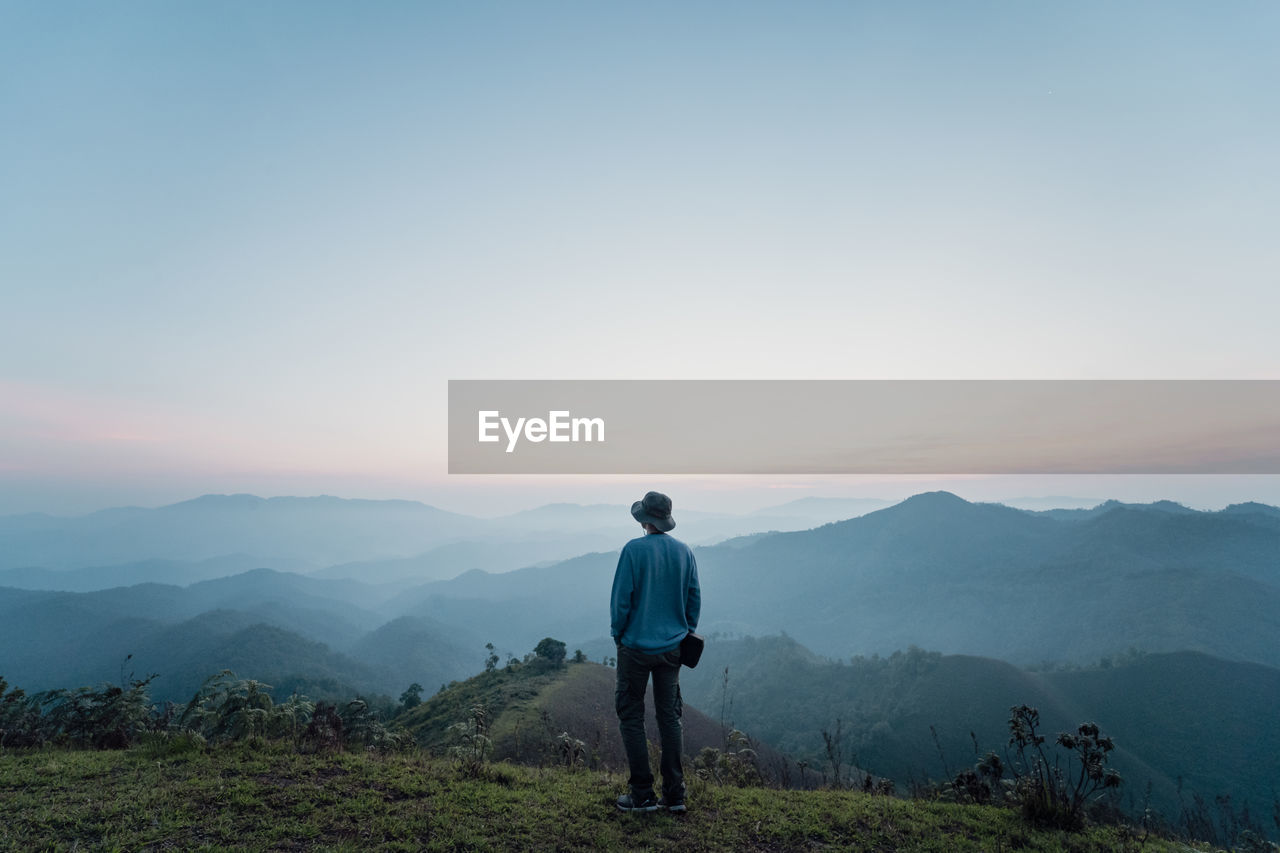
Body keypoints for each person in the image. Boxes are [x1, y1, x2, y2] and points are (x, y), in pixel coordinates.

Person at [611, 490, 701, 814]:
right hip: (673, 648)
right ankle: (675, 794)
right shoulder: (684, 552)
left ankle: (642, 795)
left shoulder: (633, 551)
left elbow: (622, 600)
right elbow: (693, 599)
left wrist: (618, 634)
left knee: (631, 715)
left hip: (635, 647)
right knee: (669, 717)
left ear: (645, 520)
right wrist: (685, 631)